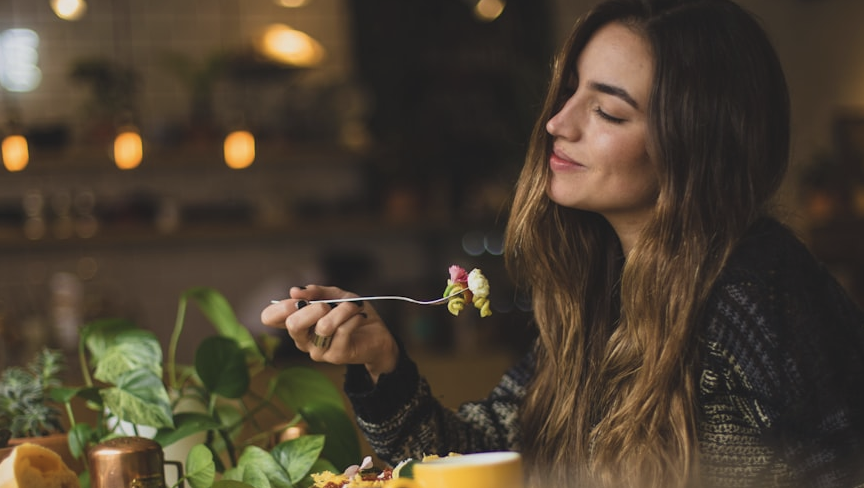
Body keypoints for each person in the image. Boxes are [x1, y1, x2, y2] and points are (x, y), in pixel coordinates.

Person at [261, 0, 864, 486]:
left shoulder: (753, 294)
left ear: (696, 148)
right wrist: (380, 362)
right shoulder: (607, 295)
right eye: (571, 90)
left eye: (607, 111)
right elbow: (485, 457)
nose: (558, 122)